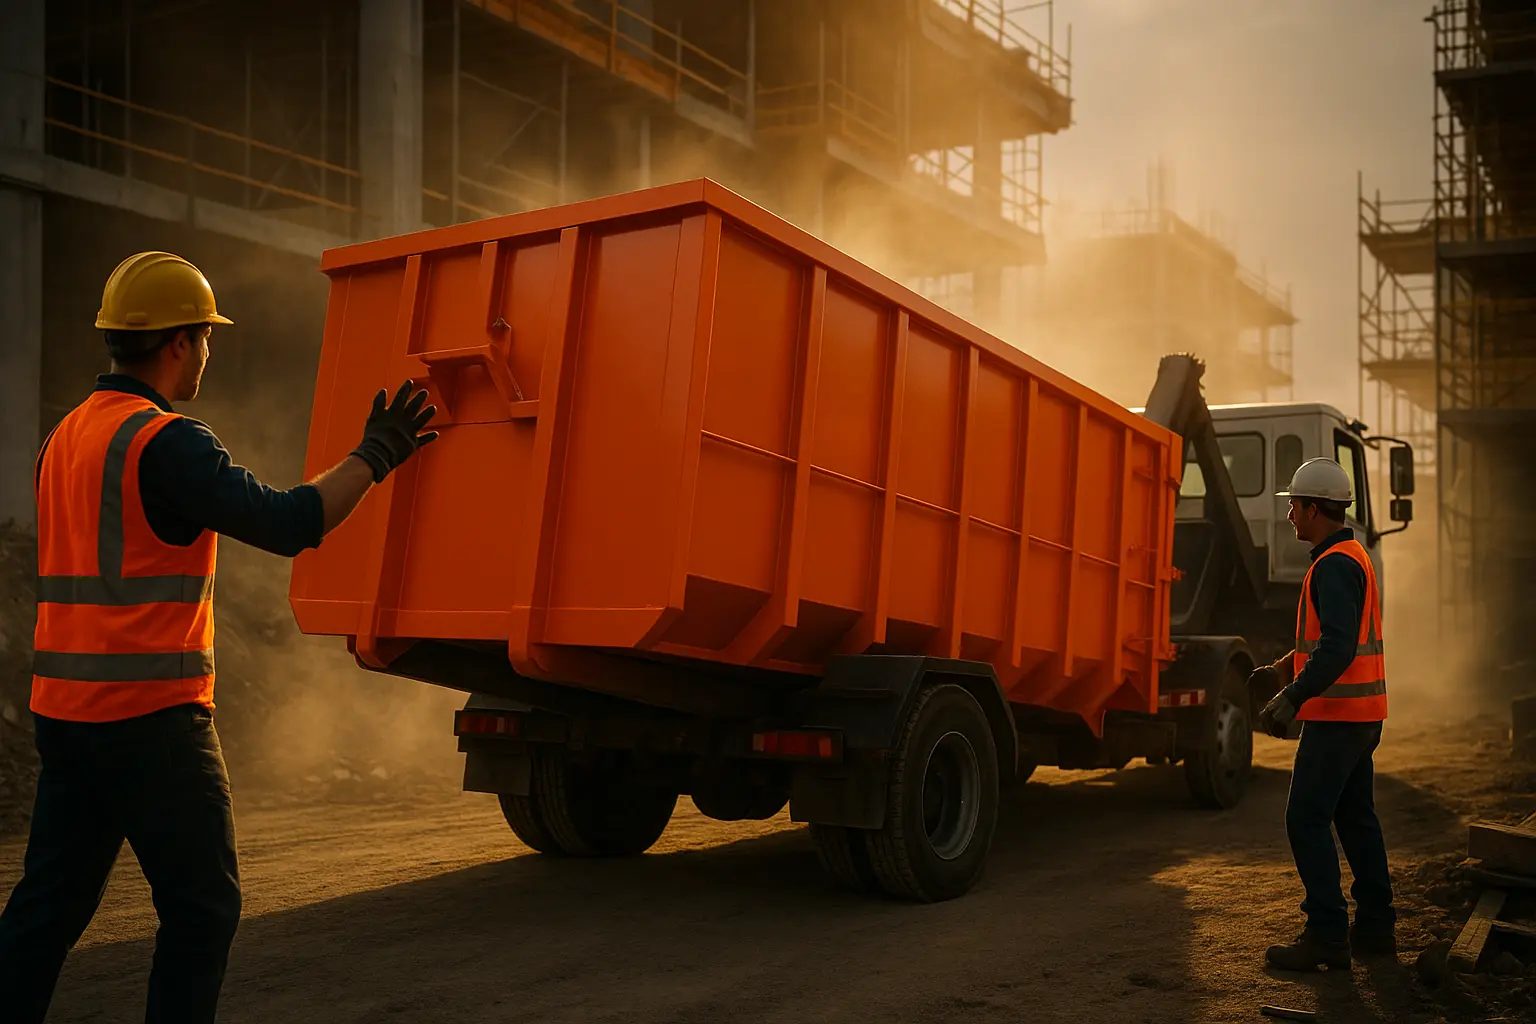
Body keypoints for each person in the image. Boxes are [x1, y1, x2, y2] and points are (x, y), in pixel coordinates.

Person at [0, 251, 438, 1023]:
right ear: (180, 343)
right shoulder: (167, 441)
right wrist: (379, 453)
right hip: (152, 722)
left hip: (67, 717)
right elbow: (291, 522)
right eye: (205, 337)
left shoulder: (64, 438)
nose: (207, 352)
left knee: (44, 917)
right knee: (203, 913)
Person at [1252, 457, 1394, 971]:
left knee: (1305, 820)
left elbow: (1335, 649)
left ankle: (1327, 935)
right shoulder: (1351, 556)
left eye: (1293, 506)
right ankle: (1376, 930)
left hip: (1336, 718)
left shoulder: (1332, 565)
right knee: (1356, 818)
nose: (1289, 515)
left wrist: (1290, 697)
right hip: (1361, 715)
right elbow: (1332, 644)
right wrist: (1279, 670)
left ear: (1314, 508)